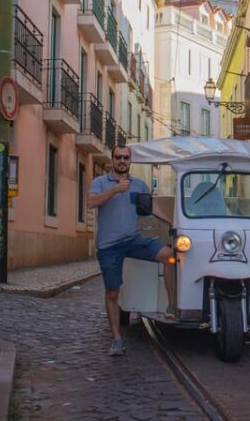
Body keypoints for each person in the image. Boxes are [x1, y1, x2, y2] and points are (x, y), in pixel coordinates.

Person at [88, 145, 174, 356]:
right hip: (109, 246)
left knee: (170, 256)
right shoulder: (100, 182)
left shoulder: (139, 185)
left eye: (126, 157)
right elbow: (91, 202)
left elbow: (151, 206)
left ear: (130, 160)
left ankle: (171, 306)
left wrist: (172, 222)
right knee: (112, 292)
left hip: (133, 240)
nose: (122, 161)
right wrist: (115, 189)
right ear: (112, 159)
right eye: (118, 157)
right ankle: (117, 339)